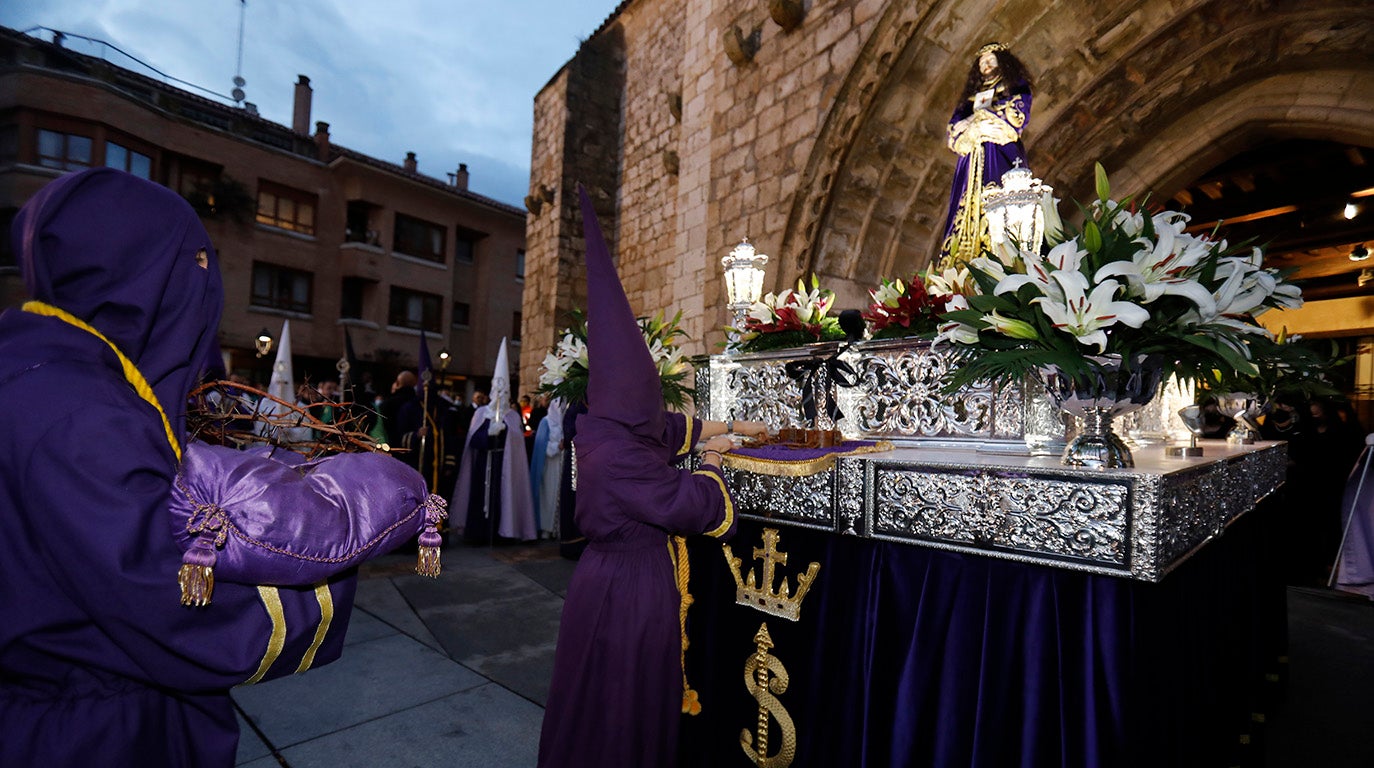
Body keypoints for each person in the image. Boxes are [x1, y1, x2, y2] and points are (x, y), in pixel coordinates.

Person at [0, 168, 440, 767]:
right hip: (96, 736)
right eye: (197, 264)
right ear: (136, 273)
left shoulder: (42, 377)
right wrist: (332, 545)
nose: (208, 289)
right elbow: (171, 612)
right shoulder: (77, 413)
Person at [537, 188, 770, 767]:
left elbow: (673, 427)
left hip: (609, 579)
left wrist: (740, 423)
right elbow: (698, 508)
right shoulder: (618, 455)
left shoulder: (610, 426)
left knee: (602, 699)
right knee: (622, 705)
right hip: (630, 589)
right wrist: (716, 460)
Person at [938, 42, 1034, 267]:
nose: (987, 65)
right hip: (971, 161)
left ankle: (1002, 257)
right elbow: (954, 130)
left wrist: (980, 120)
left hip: (999, 152)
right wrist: (973, 126)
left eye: (991, 60)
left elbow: (1016, 114)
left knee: (1001, 206)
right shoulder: (970, 100)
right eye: (982, 63)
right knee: (963, 212)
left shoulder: (1013, 86)